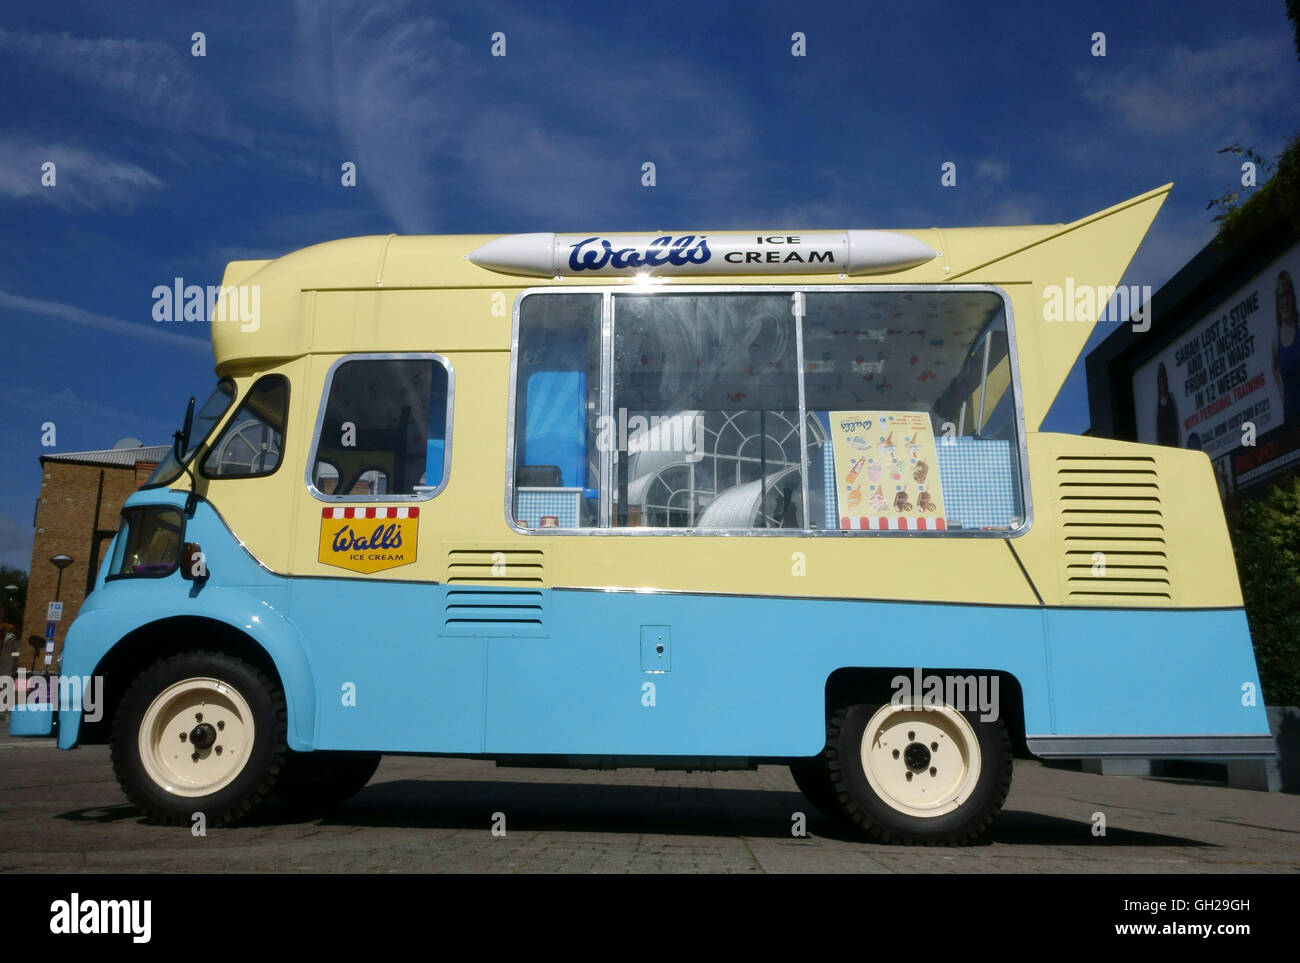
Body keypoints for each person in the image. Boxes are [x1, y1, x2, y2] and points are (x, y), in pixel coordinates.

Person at [1273, 270, 1300, 424]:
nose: (1284, 301)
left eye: (1286, 294)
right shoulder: (1275, 339)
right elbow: (1274, 368)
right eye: (1280, 296)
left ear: (1292, 296)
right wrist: (1283, 394)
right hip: (1291, 417)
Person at [1155, 361, 1180, 447]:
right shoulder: (1157, 405)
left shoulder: (1171, 399)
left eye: (1163, 377)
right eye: (1160, 378)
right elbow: (1158, 432)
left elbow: (1176, 426)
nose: (1162, 381)